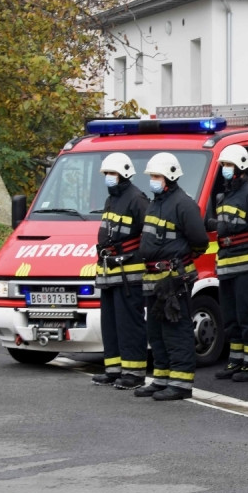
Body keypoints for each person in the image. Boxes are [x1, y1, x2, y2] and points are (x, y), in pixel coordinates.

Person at [134, 152, 210, 401]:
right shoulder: (155, 203)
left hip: (173, 279)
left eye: (156, 176)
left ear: (169, 177)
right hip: (154, 280)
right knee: (157, 332)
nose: (153, 181)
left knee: (176, 331)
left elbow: (200, 241)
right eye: (152, 176)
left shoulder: (183, 204)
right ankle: (162, 379)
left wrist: (179, 259)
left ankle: (180, 384)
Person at [206, 144, 248, 383]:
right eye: (223, 165)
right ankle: (236, 361)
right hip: (228, 267)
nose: (225, 169)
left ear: (241, 167)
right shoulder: (225, 196)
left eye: (228, 165)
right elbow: (224, 229)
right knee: (231, 318)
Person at [91, 153, 149, 389]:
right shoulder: (111, 199)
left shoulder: (136, 199)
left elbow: (148, 235)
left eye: (112, 173)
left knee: (129, 325)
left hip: (129, 274)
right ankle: (114, 370)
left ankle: (134, 374)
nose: (108, 177)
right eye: (106, 173)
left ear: (124, 173)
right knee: (111, 324)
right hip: (109, 273)